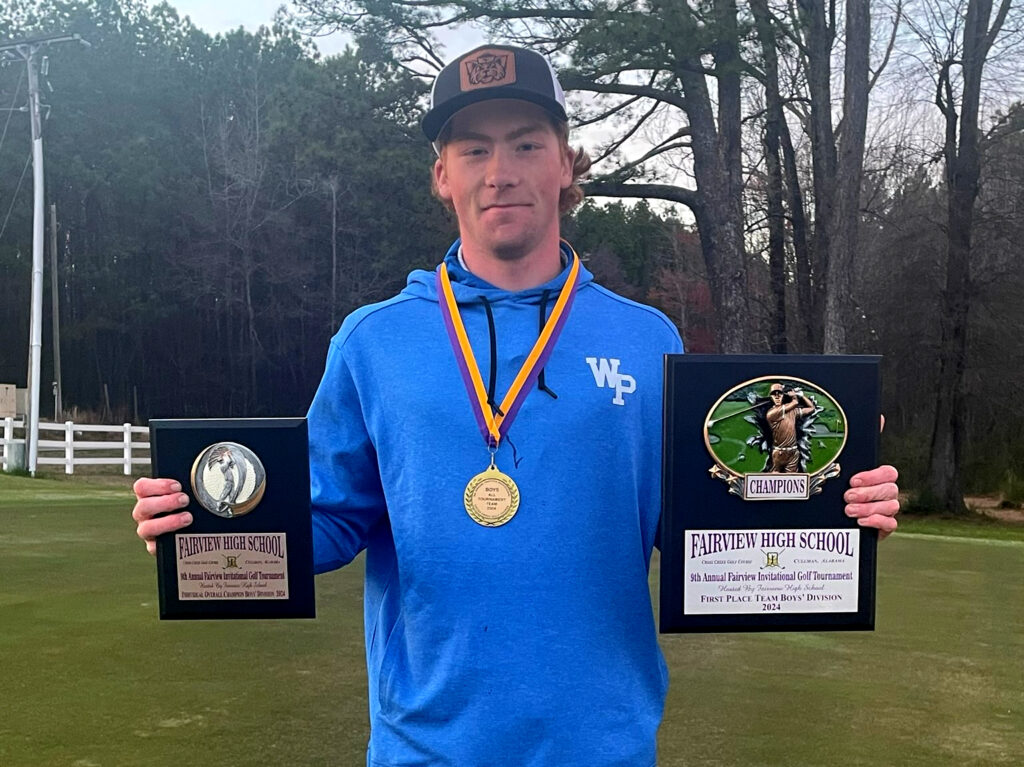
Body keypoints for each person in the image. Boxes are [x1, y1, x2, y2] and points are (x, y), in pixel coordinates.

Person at [132, 44, 900, 767]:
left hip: (603, 743)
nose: (501, 170)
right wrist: (205, 519)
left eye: (527, 143)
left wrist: (828, 496)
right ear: (442, 175)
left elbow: (698, 517)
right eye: (474, 149)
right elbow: (334, 516)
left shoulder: (646, 339)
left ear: (567, 164)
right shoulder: (373, 341)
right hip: (425, 746)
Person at [765, 383, 818, 472]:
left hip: (793, 452)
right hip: (779, 453)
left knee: (792, 479)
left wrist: (802, 396)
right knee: (774, 478)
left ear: (783, 396)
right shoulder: (771, 413)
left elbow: (812, 408)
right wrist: (794, 396)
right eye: (774, 394)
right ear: (771, 397)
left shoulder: (792, 412)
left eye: (779, 394)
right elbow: (795, 402)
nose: (777, 397)